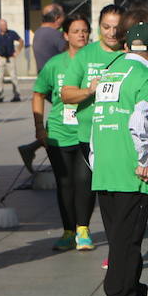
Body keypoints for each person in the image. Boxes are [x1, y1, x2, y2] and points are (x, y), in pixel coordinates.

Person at [91, 23, 148, 296]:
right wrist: (144, 161)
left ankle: (131, 294)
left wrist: (96, 161)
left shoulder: (110, 73)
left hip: (105, 166)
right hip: (129, 169)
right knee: (128, 240)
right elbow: (138, 122)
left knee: (118, 237)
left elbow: (99, 118)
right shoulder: (147, 75)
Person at [60, 4, 128, 251]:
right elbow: (66, 94)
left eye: (116, 28)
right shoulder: (86, 55)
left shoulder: (130, 54)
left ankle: (117, 238)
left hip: (121, 135)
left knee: (114, 190)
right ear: (99, 27)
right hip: (89, 132)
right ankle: (82, 228)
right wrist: (90, 90)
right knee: (84, 181)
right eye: (106, 27)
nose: (111, 33)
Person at [32, 14, 93, 250]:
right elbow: (38, 93)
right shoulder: (55, 64)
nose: (81, 34)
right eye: (76, 31)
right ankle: (68, 230)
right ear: (66, 35)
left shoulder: (95, 61)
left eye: (85, 30)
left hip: (88, 131)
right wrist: (39, 127)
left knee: (85, 181)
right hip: (59, 132)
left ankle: (83, 229)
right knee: (65, 183)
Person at [0, 18, 23, 102]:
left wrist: (18, 51)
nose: (4, 27)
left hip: (10, 57)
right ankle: (0, 95)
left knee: (13, 76)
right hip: (0, 58)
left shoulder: (11, 33)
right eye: (2, 25)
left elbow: (21, 41)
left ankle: (16, 95)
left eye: (5, 25)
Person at [32, 3, 67, 72]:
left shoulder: (38, 32)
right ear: (57, 18)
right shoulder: (55, 35)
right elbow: (71, 54)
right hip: (56, 77)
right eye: (63, 16)